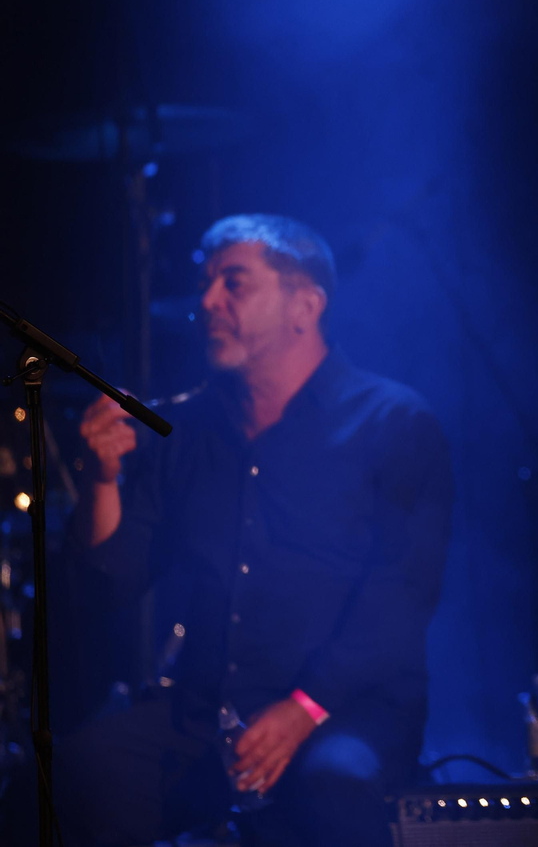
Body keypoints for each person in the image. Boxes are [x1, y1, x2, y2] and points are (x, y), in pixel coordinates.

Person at [56, 214, 453, 847]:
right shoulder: (185, 431)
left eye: (233, 283)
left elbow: (402, 595)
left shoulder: (392, 423)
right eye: (205, 284)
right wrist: (101, 480)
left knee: (333, 787)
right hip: (208, 712)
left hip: (345, 711)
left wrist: (304, 707)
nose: (208, 301)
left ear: (305, 306)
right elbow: (112, 584)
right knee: (77, 774)